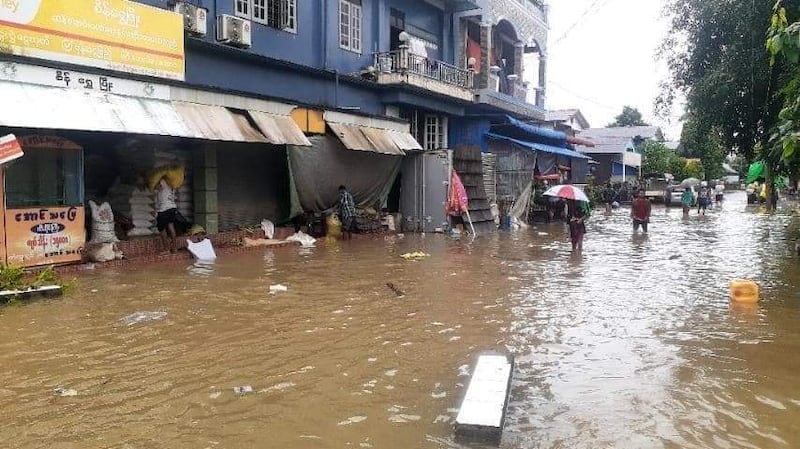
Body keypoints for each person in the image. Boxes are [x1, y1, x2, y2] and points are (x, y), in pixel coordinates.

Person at [156, 177, 179, 253]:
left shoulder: (162, 181)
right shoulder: (173, 183)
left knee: (162, 229)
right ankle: (175, 248)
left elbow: (156, 187)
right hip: (172, 207)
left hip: (163, 208)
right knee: (171, 226)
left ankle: (166, 249)